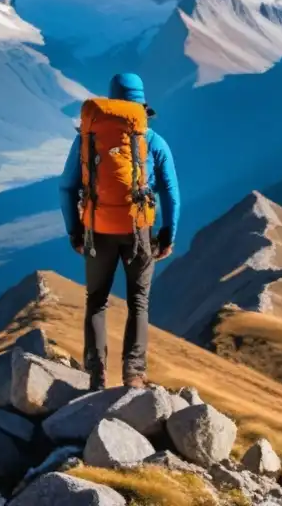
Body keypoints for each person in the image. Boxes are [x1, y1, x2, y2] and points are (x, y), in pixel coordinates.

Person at [58, 73, 180, 389]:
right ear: (142, 106)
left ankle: (96, 375)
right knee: (138, 301)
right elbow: (170, 192)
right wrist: (168, 234)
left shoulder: (87, 139)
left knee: (96, 301)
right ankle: (133, 374)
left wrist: (75, 232)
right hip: (138, 230)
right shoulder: (153, 141)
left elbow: (66, 187)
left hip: (97, 228)